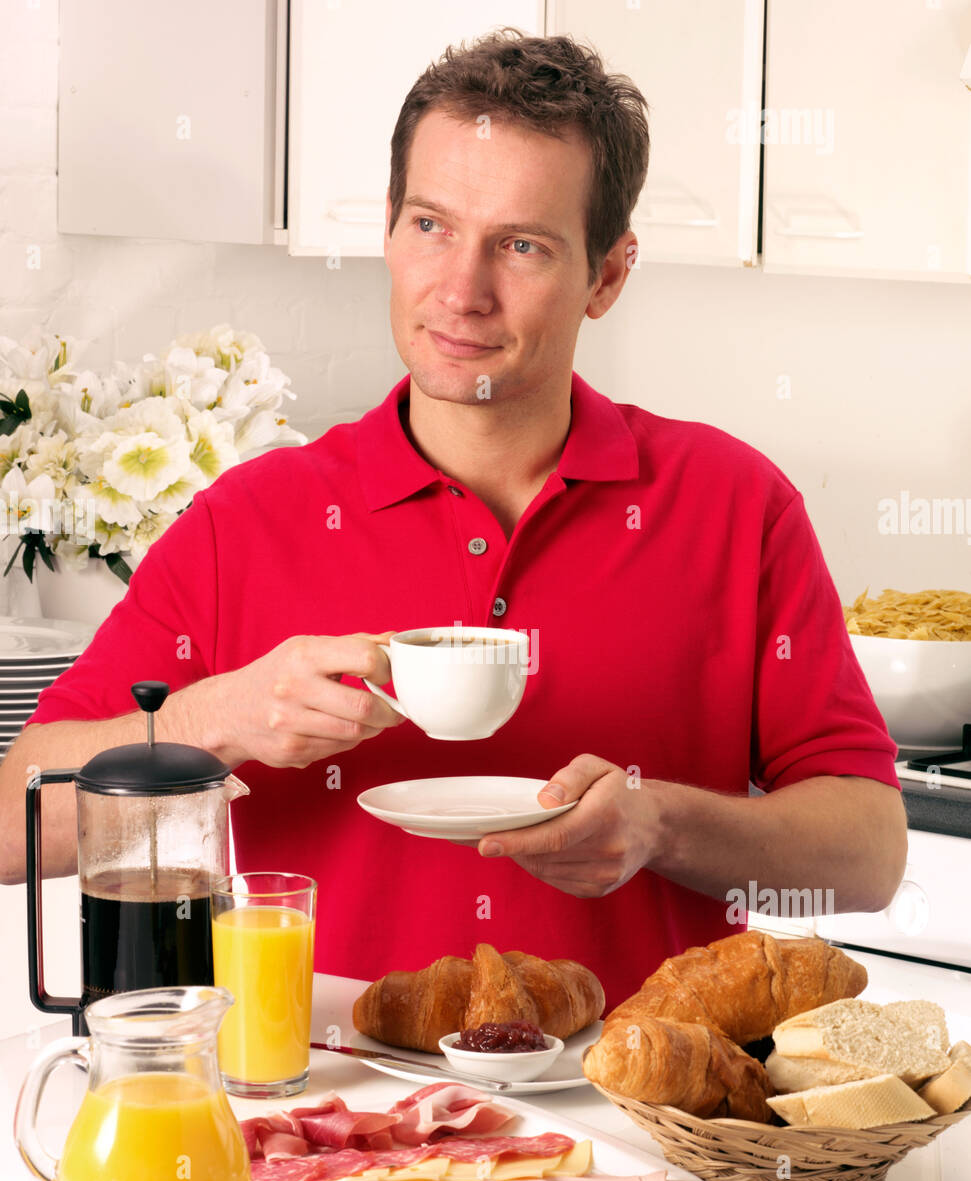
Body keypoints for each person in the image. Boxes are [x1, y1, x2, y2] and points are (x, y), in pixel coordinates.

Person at [0, 30, 906, 1013]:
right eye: (431, 225)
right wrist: (210, 721)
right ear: (388, 226)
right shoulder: (247, 521)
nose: (460, 291)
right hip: (327, 1126)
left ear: (607, 275)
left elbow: (866, 852)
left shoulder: (733, 505)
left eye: (520, 245)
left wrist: (658, 826)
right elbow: (15, 825)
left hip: (653, 1129)